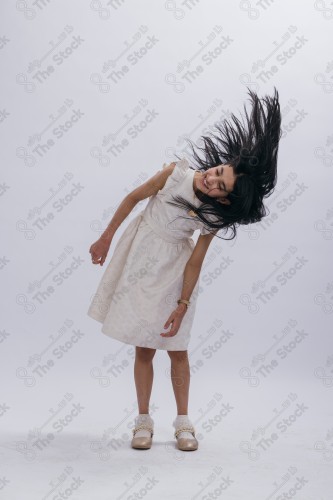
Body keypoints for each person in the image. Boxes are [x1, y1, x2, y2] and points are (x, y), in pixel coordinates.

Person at [87, 87, 282, 451]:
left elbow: (195, 260)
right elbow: (133, 198)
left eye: (220, 186)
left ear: (224, 199)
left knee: (177, 348)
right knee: (144, 348)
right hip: (141, 261)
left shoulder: (213, 215)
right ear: (221, 163)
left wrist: (182, 304)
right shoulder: (174, 173)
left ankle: (183, 422)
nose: (213, 179)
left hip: (174, 272)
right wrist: (105, 238)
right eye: (219, 172)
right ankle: (143, 420)